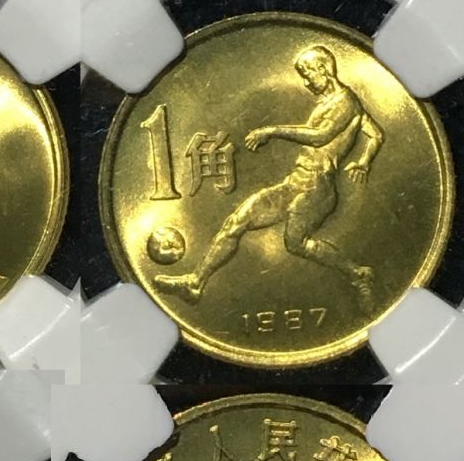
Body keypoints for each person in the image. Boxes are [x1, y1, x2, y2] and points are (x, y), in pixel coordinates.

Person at [155, 46, 384, 312]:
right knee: (237, 221)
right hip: (295, 182)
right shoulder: (336, 103)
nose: (306, 82)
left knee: (295, 244)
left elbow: (320, 136)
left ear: (323, 69)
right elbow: (376, 134)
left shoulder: (345, 102)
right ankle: (195, 283)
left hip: (317, 187)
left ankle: (358, 274)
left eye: (308, 73)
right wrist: (364, 160)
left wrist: (272, 130)